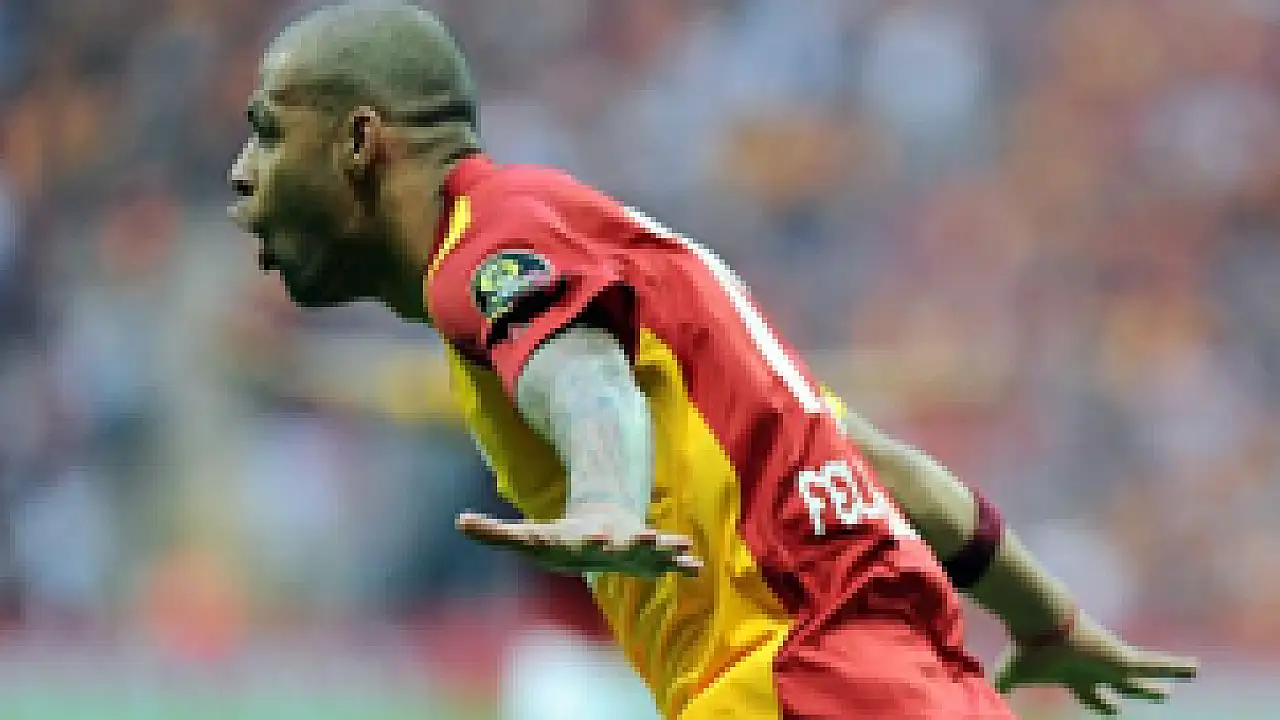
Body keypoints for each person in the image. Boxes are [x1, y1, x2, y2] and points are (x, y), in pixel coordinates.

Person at [228, 3, 1197, 717]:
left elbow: (582, 377)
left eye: (268, 131)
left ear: (361, 142)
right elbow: (888, 475)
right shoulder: (667, 290)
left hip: (797, 689)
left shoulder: (483, 245)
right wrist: (1045, 621)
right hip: (917, 683)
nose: (242, 174)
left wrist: (605, 498)